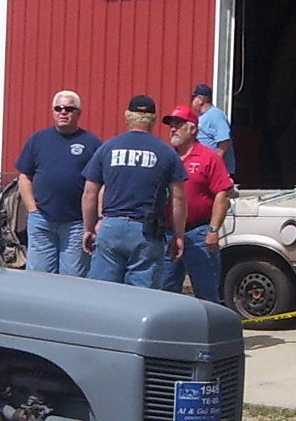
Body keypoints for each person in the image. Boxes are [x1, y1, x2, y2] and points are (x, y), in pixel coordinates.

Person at [81, 95, 188, 288]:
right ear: (154, 119)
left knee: (103, 294)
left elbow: (90, 192)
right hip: (146, 232)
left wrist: (89, 228)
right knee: (141, 298)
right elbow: (178, 198)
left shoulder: (108, 147)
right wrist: (178, 235)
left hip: (111, 227)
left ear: (127, 116)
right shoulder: (166, 152)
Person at [15, 90, 101, 276]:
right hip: (42, 220)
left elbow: (100, 184)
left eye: (69, 108)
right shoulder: (38, 140)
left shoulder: (92, 143)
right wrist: (32, 209)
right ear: (53, 112)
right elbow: (24, 177)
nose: (63, 112)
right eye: (58, 108)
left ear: (78, 113)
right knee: (38, 276)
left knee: (73, 278)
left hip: (77, 224)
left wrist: (95, 220)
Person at [159, 106, 233, 302]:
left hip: (199, 233)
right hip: (168, 233)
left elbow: (222, 194)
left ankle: (211, 332)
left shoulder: (209, 158)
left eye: (178, 125)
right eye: (171, 125)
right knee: (165, 291)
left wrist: (213, 230)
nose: (173, 129)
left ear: (192, 129)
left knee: (206, 291)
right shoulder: (165, 156)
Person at [190, 84, 236, 177]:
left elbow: (224, 141)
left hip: (216, 172)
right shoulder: (204, 116)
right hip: (206, 170)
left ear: (200, 99)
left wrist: (214, 163)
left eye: (193, 98)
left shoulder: (215, 115)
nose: (191, 102)